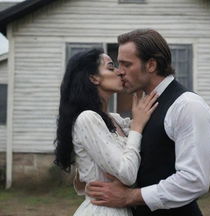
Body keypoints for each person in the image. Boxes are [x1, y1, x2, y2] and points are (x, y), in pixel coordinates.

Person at [86, 29, 210, 216]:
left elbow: (194, 180)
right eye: (118, 64)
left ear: (151, 65)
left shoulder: (187, 106)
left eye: (126, 65)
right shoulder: (143, 108)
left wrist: (130, 196)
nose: (120, 72)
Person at [54, 48, 158, 216]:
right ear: (93, 78)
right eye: (111, 67)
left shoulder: (115, 120)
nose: (120, 72)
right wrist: (137, 126)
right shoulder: (87, 119)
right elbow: (127, 174)